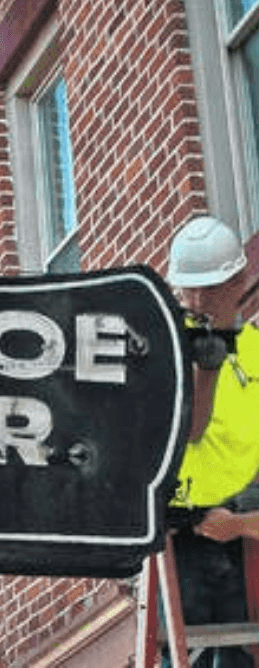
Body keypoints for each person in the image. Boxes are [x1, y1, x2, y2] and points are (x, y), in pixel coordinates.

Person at [166, 214, 259, 668]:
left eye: (211, 287)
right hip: (179, 532)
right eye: (190, 289)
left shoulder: (257, 351)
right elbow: (189, 431)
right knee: (188, 655)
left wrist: (240, 526)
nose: (198, 300)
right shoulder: (163, 349)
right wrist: (206, 364)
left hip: (243, 532)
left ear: (239, 280)